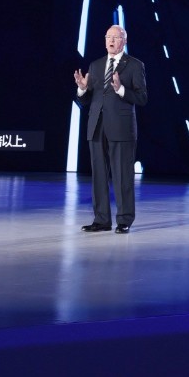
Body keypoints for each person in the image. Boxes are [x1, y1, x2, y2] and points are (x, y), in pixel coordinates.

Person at [74, 25, 147, 233]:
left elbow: (142, 98)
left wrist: (121, 89)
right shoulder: (96, 65)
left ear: (124, 40)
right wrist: (82, 89)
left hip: (121, 128)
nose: (111, 41)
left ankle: (124, 220)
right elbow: (87, 100)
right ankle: (101, 219)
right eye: (108, 37)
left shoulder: (134, 65)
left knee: (122, 175)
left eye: (115, 37)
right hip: (97, 127)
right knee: (98, 175)